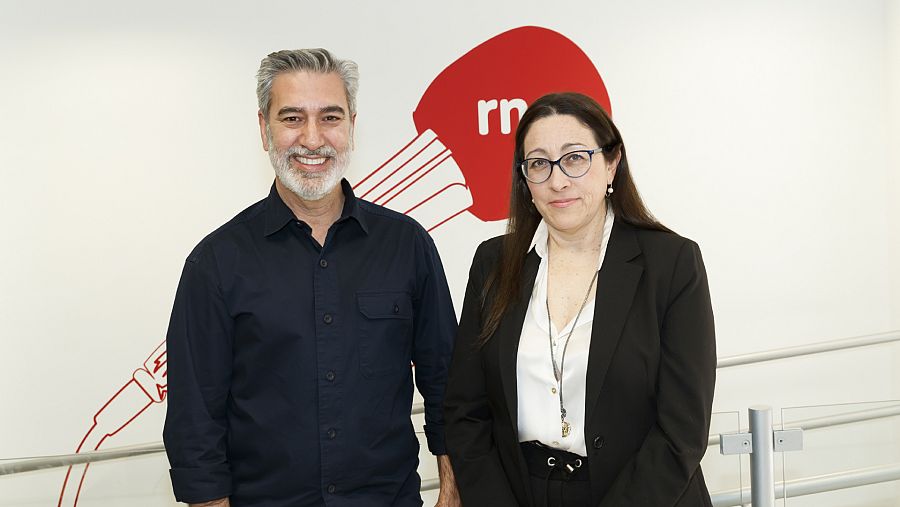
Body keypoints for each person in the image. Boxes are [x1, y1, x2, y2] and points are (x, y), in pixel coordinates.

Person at [163, 48, 460, 507]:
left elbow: (447, 381)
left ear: (352, 127)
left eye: (330, 117)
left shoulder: (407, 245)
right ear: (264, 130)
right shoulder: (216, 263)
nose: (312, 138)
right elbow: (194, 418)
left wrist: (452, 487)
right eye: (292, 118)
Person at [443, 92, 716, 507]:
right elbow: (466, 411)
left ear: (611, 163)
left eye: (575, 158)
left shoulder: (671, 264)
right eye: (538, 163)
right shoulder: (493, 263)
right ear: (524, 179)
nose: (557, 180)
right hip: (520, 494)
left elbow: (681, 431)